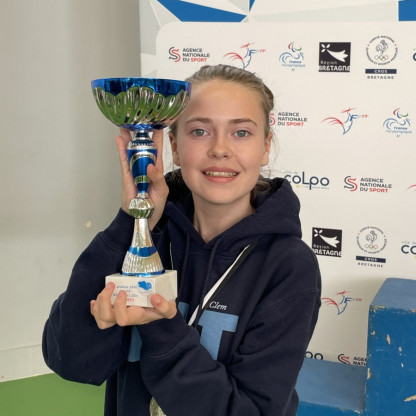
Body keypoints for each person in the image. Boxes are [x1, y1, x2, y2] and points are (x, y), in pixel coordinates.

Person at [42, 64, 321, 416]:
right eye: (200, 131)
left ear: (265, 147)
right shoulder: (145, 237)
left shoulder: (288, 266)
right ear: (174, 145)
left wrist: (161, 327)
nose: (220, 149)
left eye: (241, 133)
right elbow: (70, 361)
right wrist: (131, 221)